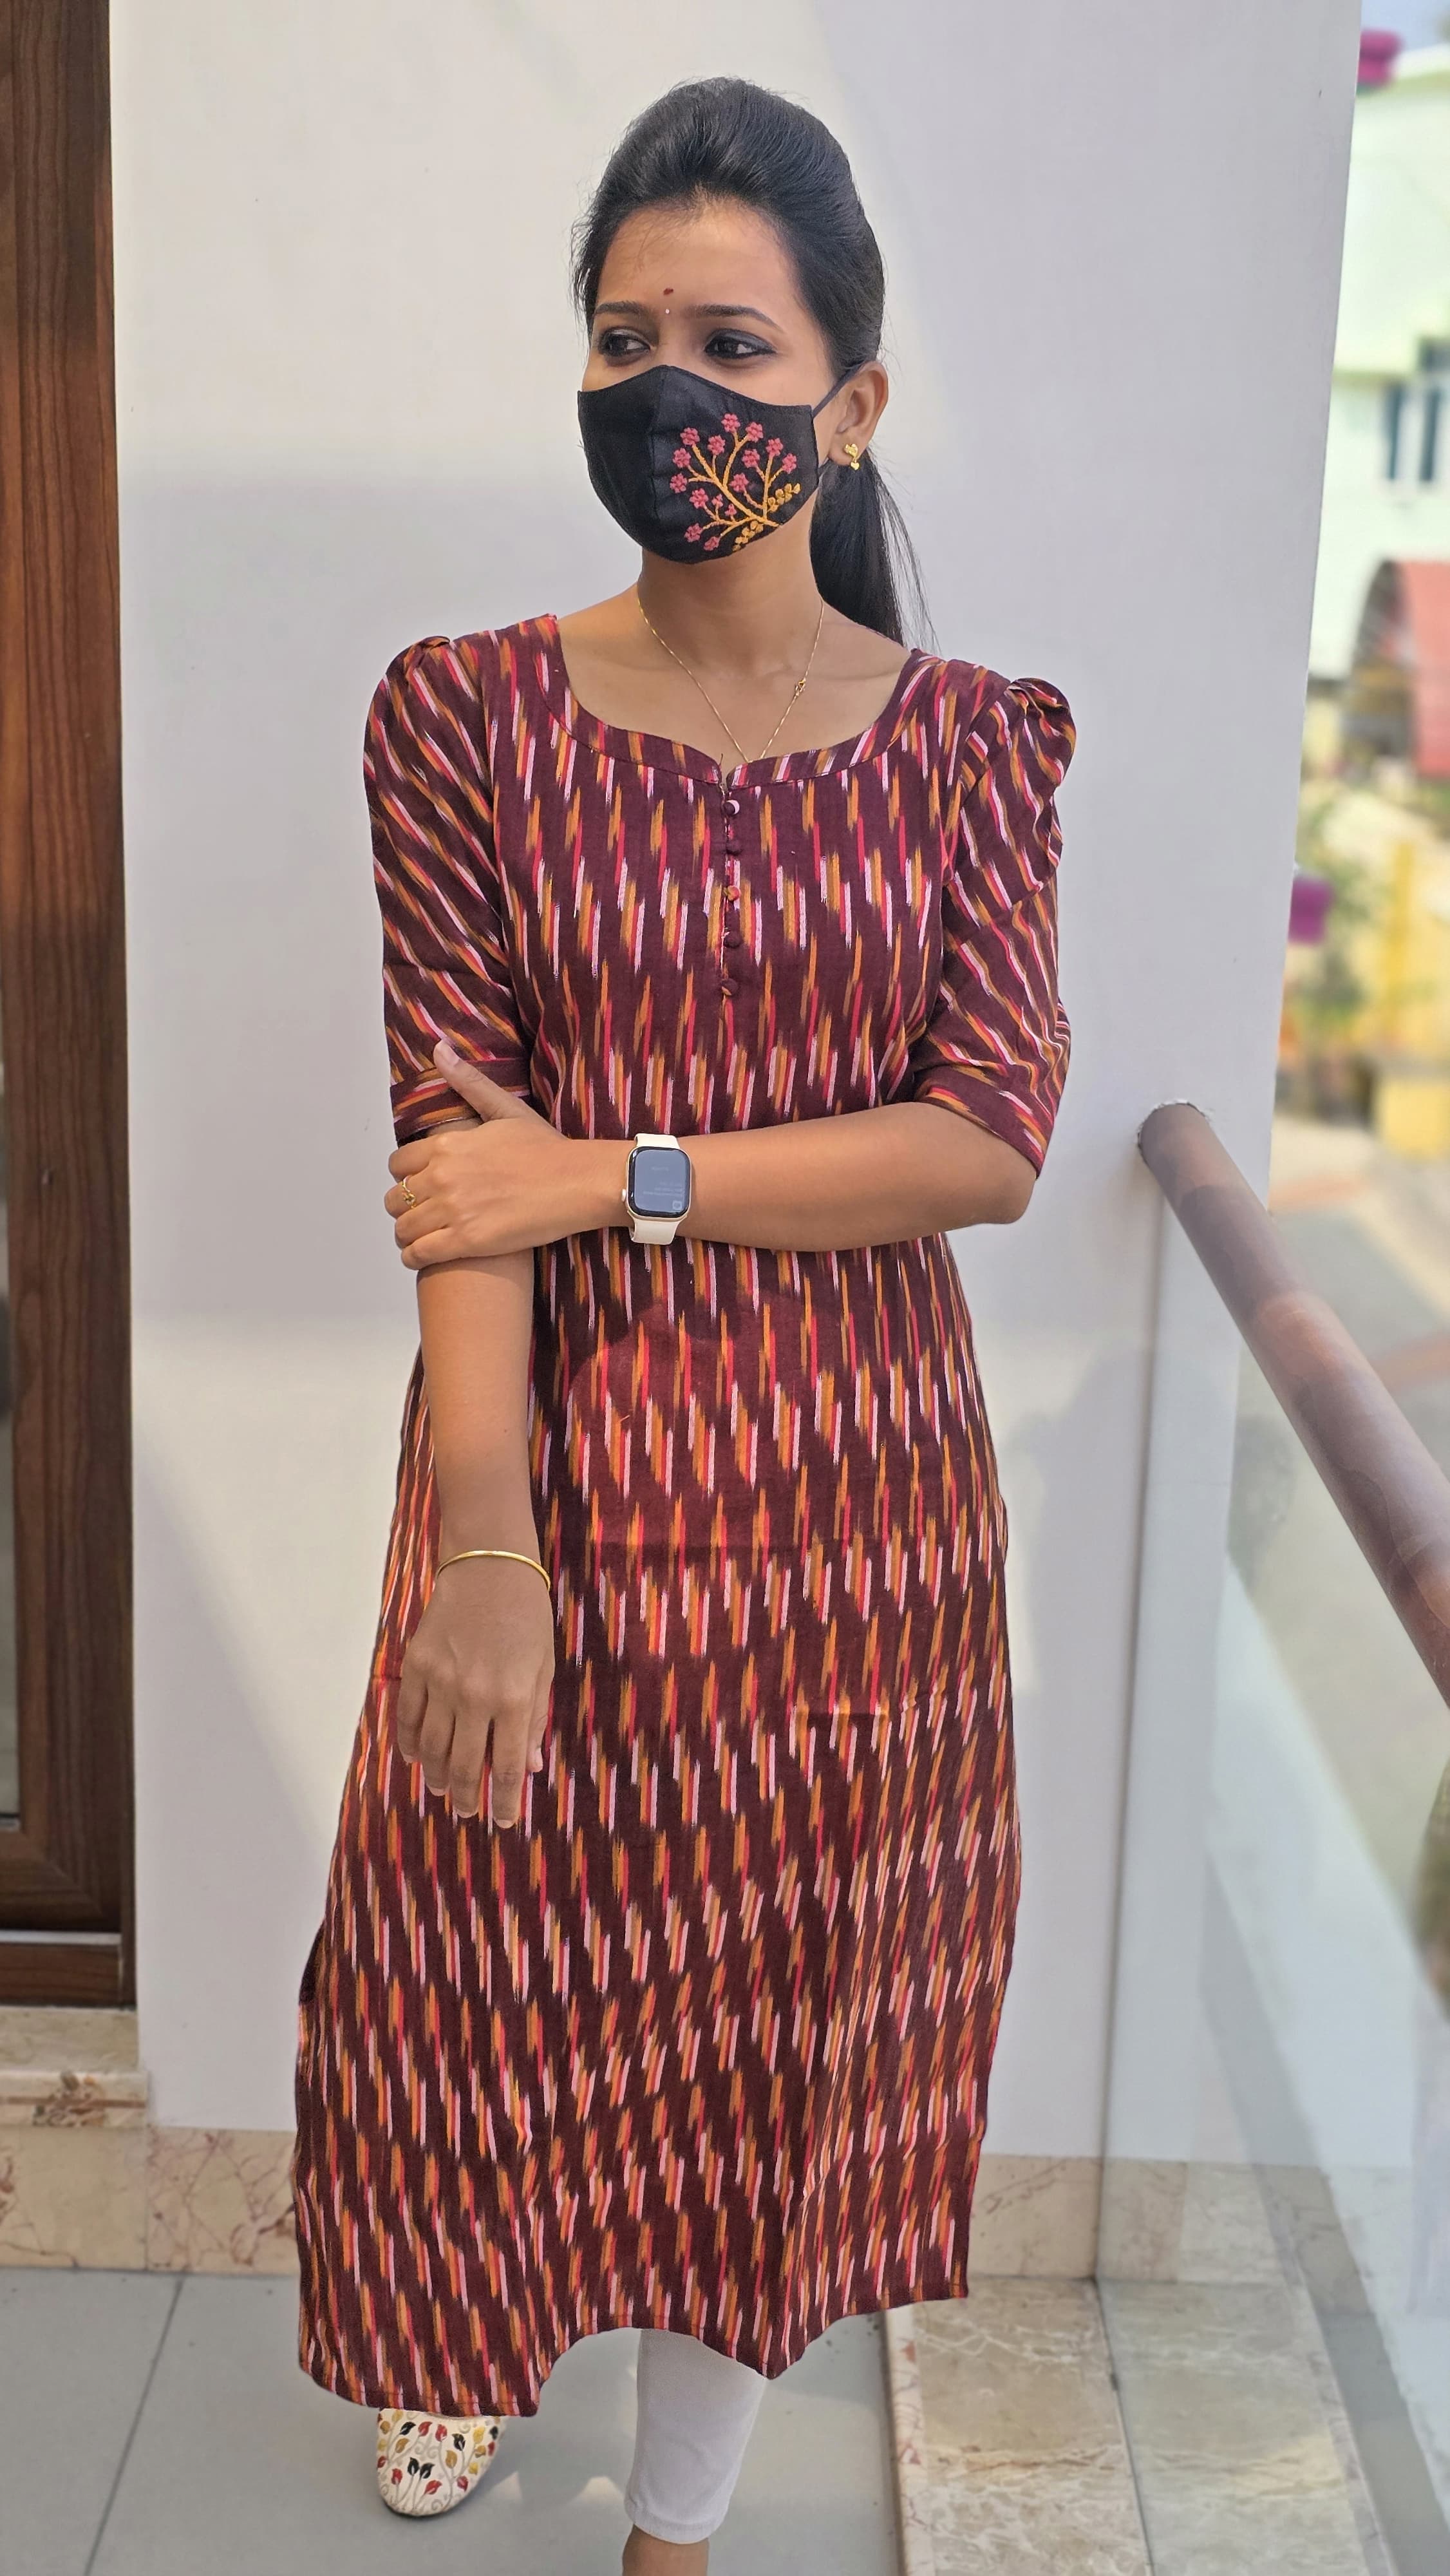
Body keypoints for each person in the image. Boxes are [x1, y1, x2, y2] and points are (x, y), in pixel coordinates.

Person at [291, 72, 1076, 2571]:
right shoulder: (467, 717)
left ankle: (682, 2526)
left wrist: (619, 1168)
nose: (669, 394)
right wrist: (488, 1558)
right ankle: (459, 2346)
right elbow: (461, 1177)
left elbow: (983, 1135)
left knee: (769, 2036)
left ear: (851, 399)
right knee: (466, 1979)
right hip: (555, 1475)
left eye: (730, 345)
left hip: (851, 1528)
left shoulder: (967, 746)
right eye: (623, 340)